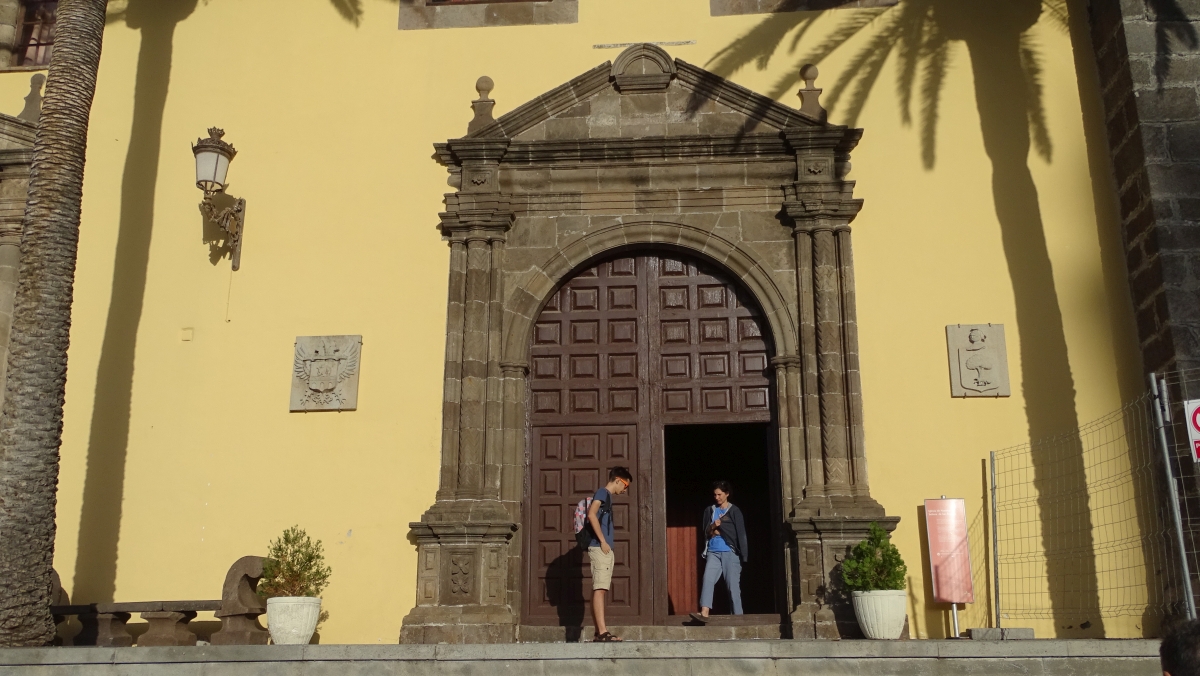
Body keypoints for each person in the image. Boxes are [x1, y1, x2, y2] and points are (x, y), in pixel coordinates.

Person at [690, 480, 749, 623]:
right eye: (715, 495)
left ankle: (738, 618)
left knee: (732, 587)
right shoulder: (710, 510)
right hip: (713, 551)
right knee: (707, 580)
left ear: (727, 494)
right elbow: (705, 531)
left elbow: (740, 533)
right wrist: (713, 527)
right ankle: (704, 612)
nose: (717, 497)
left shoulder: (734, 511)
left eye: (720, 494)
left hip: (730, 552)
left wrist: (744, 555)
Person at [587, 465, 632, 642]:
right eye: (625, 486)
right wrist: (603, 541)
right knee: (600, 589)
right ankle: (603, 632)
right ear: (618, 480)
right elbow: (591, 514)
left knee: (599, 589)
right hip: (600, 548)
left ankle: (600, 632)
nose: (624, 490)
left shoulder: (606, 496)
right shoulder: (603, 493)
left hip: (601, 548)